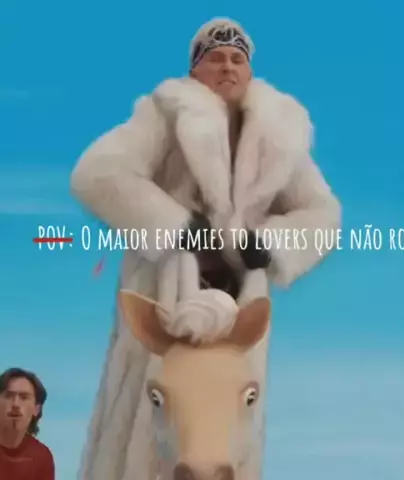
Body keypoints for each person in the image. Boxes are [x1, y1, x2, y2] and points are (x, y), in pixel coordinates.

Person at [70, 17, 341, 480]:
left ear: (250, 70)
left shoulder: (279, 133)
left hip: (239, 302)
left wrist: (271, 244)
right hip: (169, 290)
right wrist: (177, 225)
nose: (228, 67)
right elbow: (98, 172)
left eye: (237, 59)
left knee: (233, 414)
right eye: (215, 59)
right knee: (154, 412)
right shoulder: (167, 113)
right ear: (195, 69)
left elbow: (322, 213)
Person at [0, 368, 54, 480]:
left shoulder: (41, 456)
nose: (15, 404)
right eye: (9, 396)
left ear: (36, 409)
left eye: (24, 397)